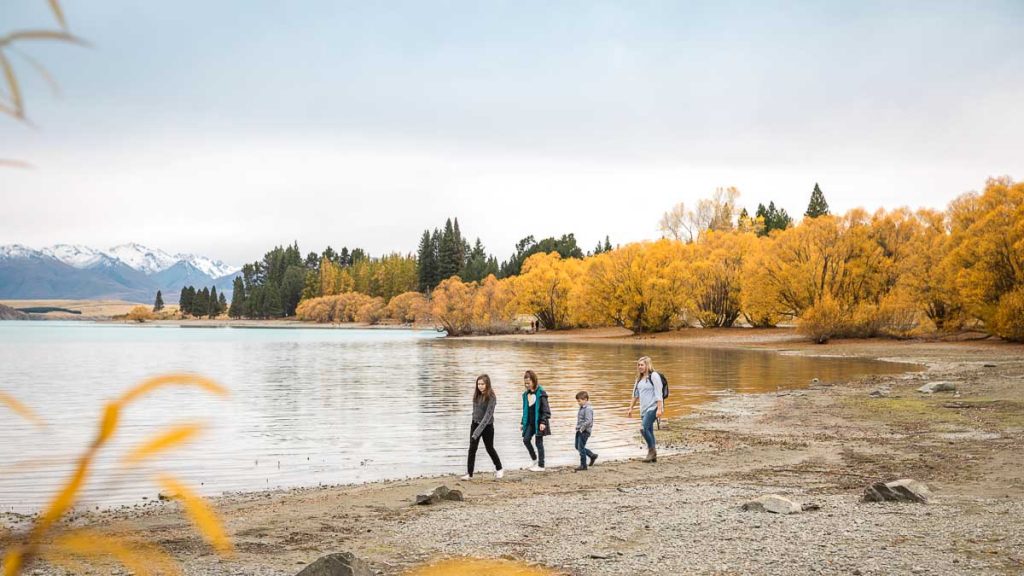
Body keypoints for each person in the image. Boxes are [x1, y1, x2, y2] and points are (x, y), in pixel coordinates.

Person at [461, 374, 503, 480]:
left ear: (487, 384)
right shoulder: (476, 395)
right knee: (472, 449)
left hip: (487, 426)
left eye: (482, 384)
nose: (480, 386)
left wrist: (477, 432)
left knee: (489, 448)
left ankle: (499, 469)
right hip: (475, 423)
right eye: (478, 384)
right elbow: (475, 412)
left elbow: (487, 416)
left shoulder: (492, 397)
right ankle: (469, 474)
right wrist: (473, 426)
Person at [626, 356, 663, 463]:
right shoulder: (638, 379)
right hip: (643, 409)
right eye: (638, 365)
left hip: (653, 407)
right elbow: (635, 395)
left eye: (642, 365)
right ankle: (653, 455)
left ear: (647, 365)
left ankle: (652, 452)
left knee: (643, 428)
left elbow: (658, 393)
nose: (640, 367)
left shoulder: (654, 376)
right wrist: (630, 408)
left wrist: (659, 409)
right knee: (649, 431)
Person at [520, 369, 550, 471]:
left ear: (534, 381)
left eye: (529, 383)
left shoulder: (541, 393)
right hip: (530, 423)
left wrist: (543, 422)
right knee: (526, 440)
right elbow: (525, 409)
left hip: (539, 423)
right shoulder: (526, 394)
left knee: (539, 443)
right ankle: (534, 460)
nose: (527, 385)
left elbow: (546, 410)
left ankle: (541, 466)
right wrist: (522, 422)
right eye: (525, 383)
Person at [574, 391, 598, 471]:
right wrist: (578, 428)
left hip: (584, 431)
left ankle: (583, 465)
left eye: (579, 401)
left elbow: (588, 421)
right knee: (577, 446)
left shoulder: (588, 409)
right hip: (579, 430)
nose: (578, 403)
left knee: (580, 448)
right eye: (577, 401)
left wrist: (581, 429)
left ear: (585, 399)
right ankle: (592, 455)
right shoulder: (582, 407)